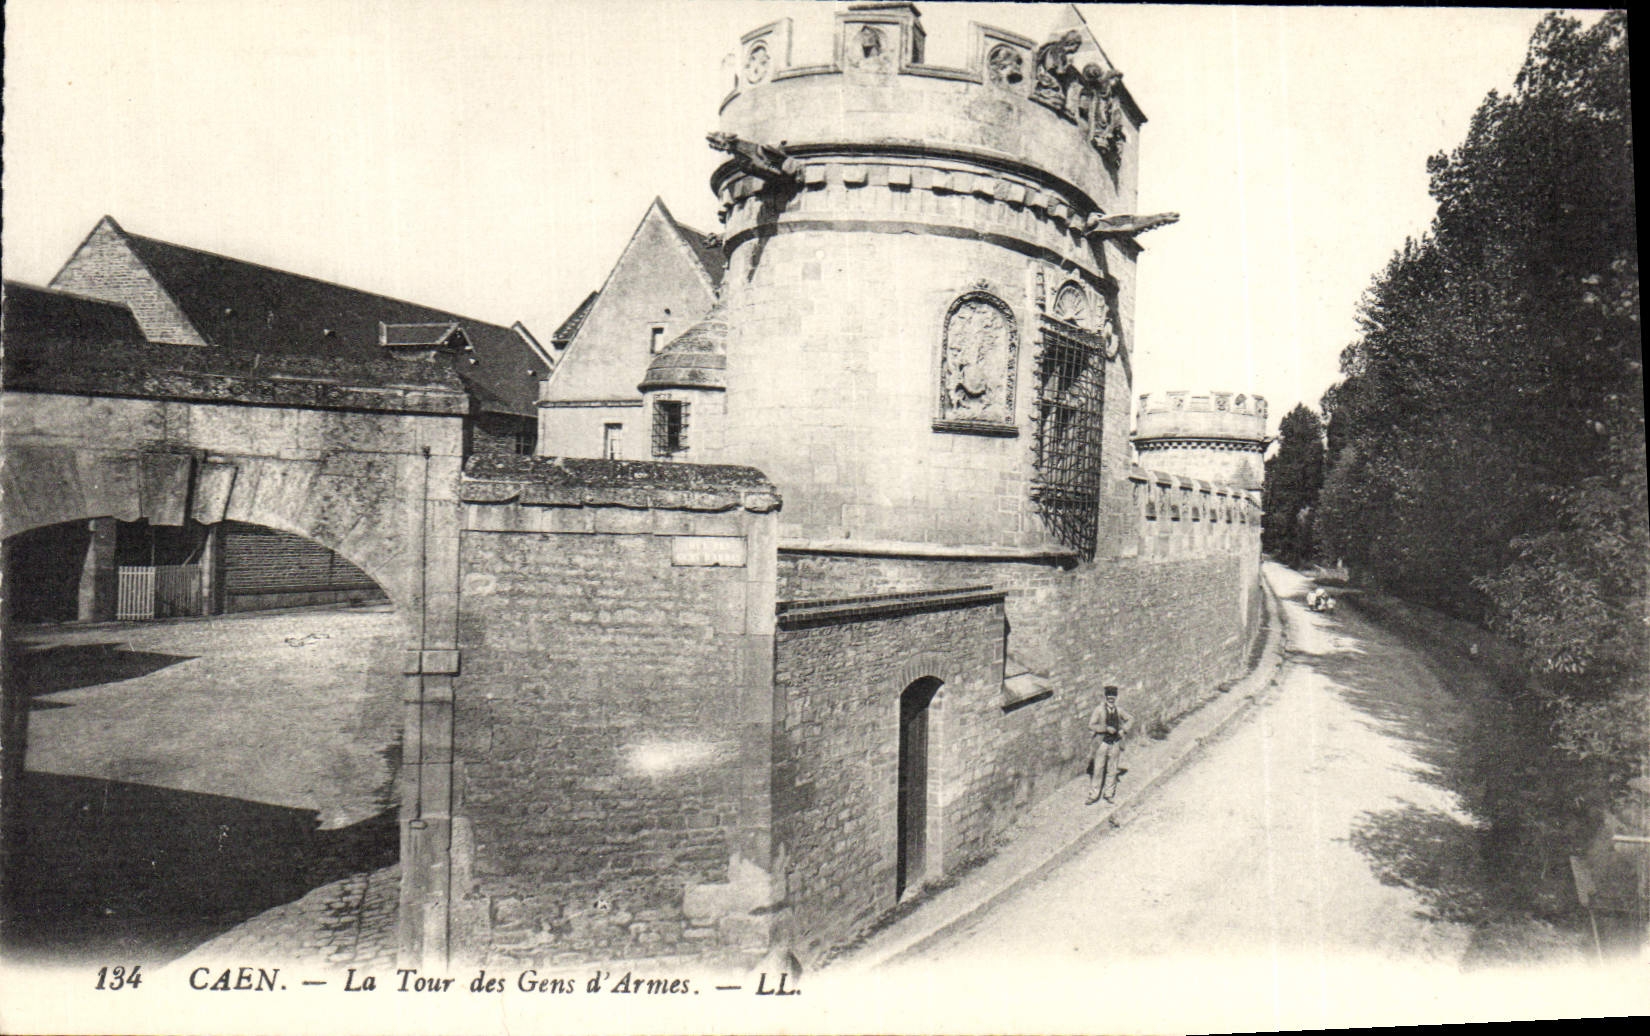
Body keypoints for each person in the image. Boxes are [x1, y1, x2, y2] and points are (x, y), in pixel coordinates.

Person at [1086, 685, 1134, 804]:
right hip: (1102, 743)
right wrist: (1105, 728)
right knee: (1098, 769)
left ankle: (1109, 794)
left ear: (1116, 697)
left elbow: (1131, 719)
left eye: (1113, 697)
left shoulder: (1119, 710)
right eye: (1109, 697)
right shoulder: (1099, 710)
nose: (1111, 699)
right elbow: (1091, 725)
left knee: (1112, 769)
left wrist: (1123, 730)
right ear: (1105, 697)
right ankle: (1094, 795)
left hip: (1115, 743)